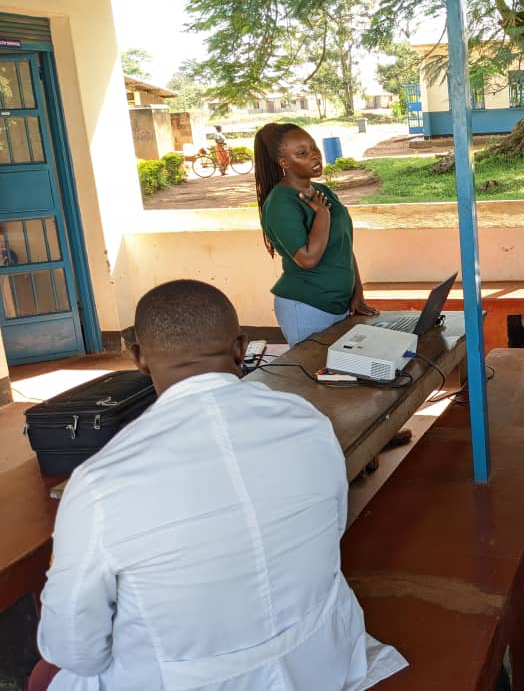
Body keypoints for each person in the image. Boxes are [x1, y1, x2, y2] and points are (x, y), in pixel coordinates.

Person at [29, 280, 407, 691]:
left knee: (45, 675)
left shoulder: (99, 482)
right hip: (320, 663)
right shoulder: (308, 423)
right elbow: (333, 529)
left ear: (137, 358)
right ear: (241, 347)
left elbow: (72, 650)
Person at [254, 122, 377, 346]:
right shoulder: (282, 202)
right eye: (302, 153)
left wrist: (357, 294)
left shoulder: (323, 191)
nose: (314, 156)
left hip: (338, 304)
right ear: (284, 162)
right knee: (316, 377)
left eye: (314, 149)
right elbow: (308, 259)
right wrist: (322, 215)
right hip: (306, 308)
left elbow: (343, 246)